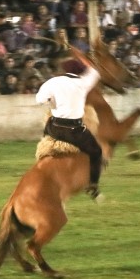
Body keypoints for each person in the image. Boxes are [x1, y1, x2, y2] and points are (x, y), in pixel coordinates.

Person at [35, 57, 104, 201]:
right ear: (79, 72)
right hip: (74, 131)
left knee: (45, 136)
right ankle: (93, 185)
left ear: (63, 70)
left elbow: (39, 100)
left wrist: (52, 101)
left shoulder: (52, 82)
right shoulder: (83, 82)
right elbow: (96, 73)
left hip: (55, 127)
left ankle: (39, 164)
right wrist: (84, 60)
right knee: (96, 152)